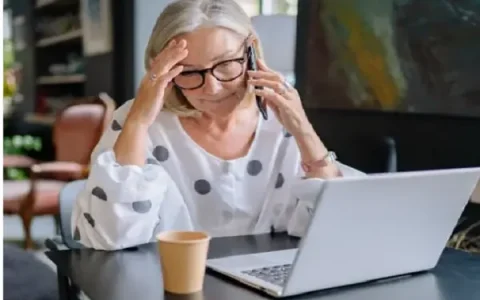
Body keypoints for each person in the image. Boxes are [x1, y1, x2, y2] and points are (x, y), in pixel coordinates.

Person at [72, 0, 365, 250]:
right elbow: (109, 237)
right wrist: (137, 122)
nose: (211, 88)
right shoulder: (136, 122)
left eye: (226, 64)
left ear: (250, 53)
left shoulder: (281, 119)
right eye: (189, 72)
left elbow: (335, 228)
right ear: (163, 71)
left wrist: (303, 130)